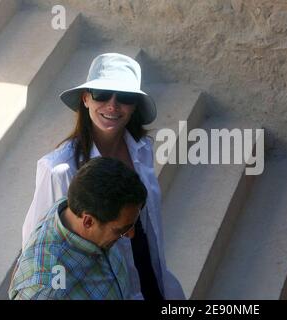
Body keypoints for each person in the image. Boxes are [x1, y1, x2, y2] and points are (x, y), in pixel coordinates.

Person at [21, 53, 185, 300]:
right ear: (86, 99)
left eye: (125, 97)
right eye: (102, 94)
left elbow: (149, 226)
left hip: (151, 277)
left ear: (134, 106)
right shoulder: (58, 170)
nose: (112, 105)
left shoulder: (142, 149)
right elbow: (39, 247)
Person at [10, 157, 147, 300]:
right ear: (88, 222)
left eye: (132, 225)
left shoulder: (75, 207)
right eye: (121, 230)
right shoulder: (46, 290)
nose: (131, 234)